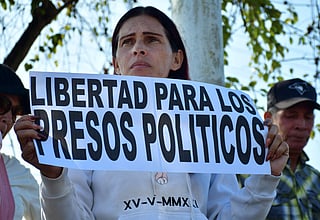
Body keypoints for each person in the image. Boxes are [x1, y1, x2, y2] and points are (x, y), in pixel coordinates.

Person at [14, 6, 289, 220]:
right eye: (127, 42)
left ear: (177, 58)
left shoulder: (211, 128)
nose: (138, 48)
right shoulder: (82, 129)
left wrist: (267, 177)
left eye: (152, 40)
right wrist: (53, 177)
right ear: (116, 65)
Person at [264, 78, 320, 219]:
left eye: (308, 117)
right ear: (268, 118)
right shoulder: (247, 174)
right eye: (291, 116)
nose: (301, 125)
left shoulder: (315, 178)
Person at [0, 64, 41, 220]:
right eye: (1, 104)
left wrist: (53, 177)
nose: (9, 119)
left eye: (16, 112)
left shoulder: (17, 174)